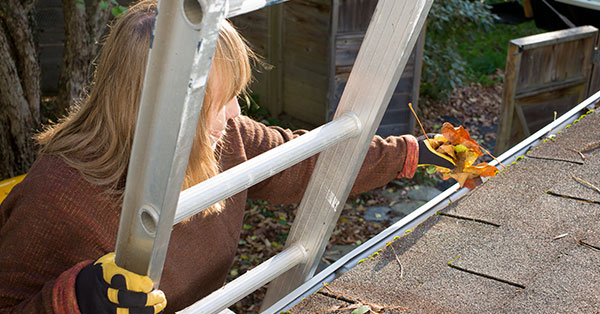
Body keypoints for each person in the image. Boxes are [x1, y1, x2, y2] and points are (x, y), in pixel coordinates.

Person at [0, 1, 453, 313]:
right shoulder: (58, 196)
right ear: (165, 110)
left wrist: (415, 152)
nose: (238, 113)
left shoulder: (226, 138)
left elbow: (308, 160)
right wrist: (75, 300)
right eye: (221, 100)